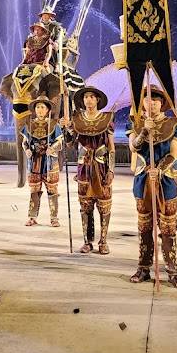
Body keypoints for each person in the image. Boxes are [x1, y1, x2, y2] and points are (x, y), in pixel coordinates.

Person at [127, 87, 177, 288]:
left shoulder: (173, 123)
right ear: (142, 103)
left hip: (165, 179)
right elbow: (133, 147)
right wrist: (144, 130)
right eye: (147, 99)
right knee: (144, 226)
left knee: (168, 227)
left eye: (155, 100)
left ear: (162, 103)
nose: (151, 103)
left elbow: (174, 153)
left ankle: (172, 270)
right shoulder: (134, 122)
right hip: (143, 180)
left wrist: (159, 169)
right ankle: (143, 268)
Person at [63, 85, 114, 254]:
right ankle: (87, 241)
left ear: (97, 99)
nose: (89, 100)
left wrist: (111, 170)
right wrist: (67, 129)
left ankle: (103, 241)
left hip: (102, 166)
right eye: (86, 97)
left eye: (92, 97)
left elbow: (111, 148)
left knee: (104, 205)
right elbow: (70, 144)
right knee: (85, 205)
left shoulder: (106, 119)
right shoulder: (77, 119)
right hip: (84, 167)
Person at [21, 95, 63, 226]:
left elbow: (59, 142)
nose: (40, 110)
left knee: (52, 189)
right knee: (34, 189)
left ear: (48, 110)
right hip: (34, 161)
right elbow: (24, 142)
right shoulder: (29, 124)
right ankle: (32, 217)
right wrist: (26, 149)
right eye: (38, 107)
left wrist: (53, 148)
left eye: (43, 107)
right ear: (34, 109)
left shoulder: (54, 125)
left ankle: (54, 218)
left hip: (49, 161)